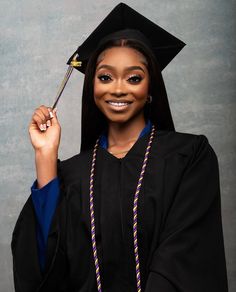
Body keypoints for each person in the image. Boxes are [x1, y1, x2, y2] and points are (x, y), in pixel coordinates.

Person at [11, 3, 228, 292]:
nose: (118, 88)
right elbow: (43, 269)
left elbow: (186, 261)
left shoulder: (188, 157)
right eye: (105, 77)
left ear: (150, 88)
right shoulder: (73, 175)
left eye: (134, 77)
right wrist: (45, 156)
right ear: (92, 86)